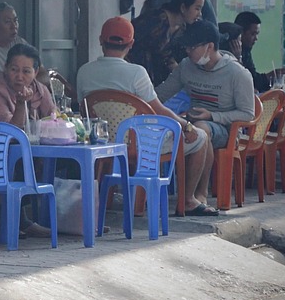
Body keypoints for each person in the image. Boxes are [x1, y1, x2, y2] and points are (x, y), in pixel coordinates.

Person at [76, 16, 213, 215]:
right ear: (131, 44)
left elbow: (85, 108)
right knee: (200, 136)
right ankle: (189, 200)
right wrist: (186, 125)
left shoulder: (84, 72)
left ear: (100, 40)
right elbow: (159, 110)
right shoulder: (136, 73)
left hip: (103, 143)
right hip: (138, 144)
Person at [155, 19, 256, 215]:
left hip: (226, 130)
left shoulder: (237, 73)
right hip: (191, 125)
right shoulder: (186, 67)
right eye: (186, 47)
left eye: (192, 47)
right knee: (192, 129)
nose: (187, 51)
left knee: (201, 128)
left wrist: (212, 115)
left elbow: (247, 113)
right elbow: (161, 94)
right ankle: (189, 197)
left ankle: (199, 195)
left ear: (209, 47)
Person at [0, 44, 56, 239]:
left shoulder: (39, 89)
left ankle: (70, 220)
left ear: (35, 72)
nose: (19, 76)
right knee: (16, 163)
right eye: (14, 70)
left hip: (30, 150)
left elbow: (53, 118)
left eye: (26, 71)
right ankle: (14, 221)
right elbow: (8, 135)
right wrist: (21, 105)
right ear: (5, 68)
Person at [128, 0, 207, 87]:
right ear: (183, 7)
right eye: (197, 8)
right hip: (135, 78)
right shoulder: (155, 20)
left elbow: (168, 58)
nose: (199, 14)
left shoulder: (183, 28)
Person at [234, 11, 285, 92]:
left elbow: (254, 78)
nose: (256, 38)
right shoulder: (233, 51)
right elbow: (248, 81)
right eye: (253, 34)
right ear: (241, 33)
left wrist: (273, 74)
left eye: (257, 34)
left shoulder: (246, 50)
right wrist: (238, 58)